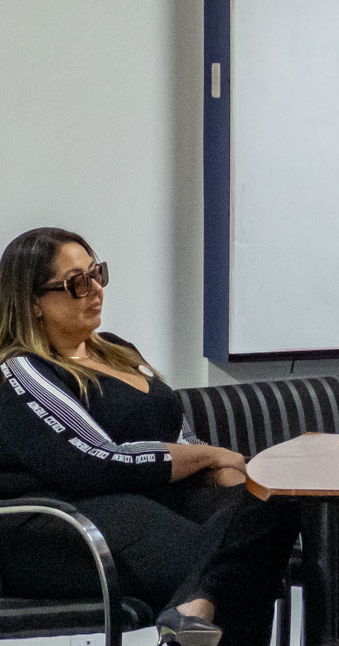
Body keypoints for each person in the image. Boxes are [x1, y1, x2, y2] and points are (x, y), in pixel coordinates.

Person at [0, 227, 300, 646]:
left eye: (97, 273)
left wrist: (228, 480)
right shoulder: (21, 367)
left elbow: (180, 434)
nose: (96, 289)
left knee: (270, 502)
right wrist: (211, 457)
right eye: (76, 283)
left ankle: (191, 610)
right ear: (33, 302)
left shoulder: (116, 349)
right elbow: (94, 460)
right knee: (235, 563)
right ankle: (194, 605)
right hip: (61, 520)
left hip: (152, 499)